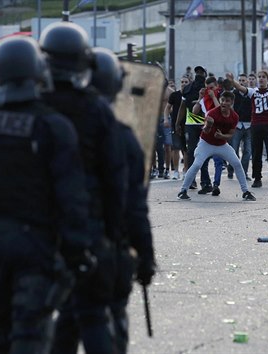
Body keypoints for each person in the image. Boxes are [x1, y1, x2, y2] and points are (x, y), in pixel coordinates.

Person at [0, 36, 93, 353]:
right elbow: (72, 199)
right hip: (37, 246)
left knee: (2, 330)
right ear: (37, 72)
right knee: (30, 334)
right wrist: (77, 252)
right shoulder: (53, 125)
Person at [39, 22, 125, 353]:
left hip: (36, 225)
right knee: (91, 313)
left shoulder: (31, 106)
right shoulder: (96, 110)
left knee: (30, 321)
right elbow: (115, 179)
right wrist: (114, 235)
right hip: (88, 222)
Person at [91, 47, 156, 353]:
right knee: (108, 320)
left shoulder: (52, 125)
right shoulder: (121, 136)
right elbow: (134, 205)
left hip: (56, 244)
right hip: (106, 245)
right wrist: (145, 255)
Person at [177, 91, 256, 201]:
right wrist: (208, 125)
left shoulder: (234, 116)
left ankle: (246, 192)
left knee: (237, 163)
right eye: (222, 100)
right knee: (197, 164)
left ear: (232, 102)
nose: (224, 103)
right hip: (206, 143)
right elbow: (205, 130)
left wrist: (222, 136)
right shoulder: (212, 113)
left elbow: (230, 134)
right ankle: (183, 191)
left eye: (227, 101)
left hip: (221, 144)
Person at [227, 70, 268, 188]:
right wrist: (232, 80)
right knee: (256, 153)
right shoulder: (253, 92)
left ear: (267, 79)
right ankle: (257, 178)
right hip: (255, 125)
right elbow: (240, 87)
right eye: (259, 77)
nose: (261, 79)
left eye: (263, 77)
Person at [175, 65, 211, 190]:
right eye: (198, 72)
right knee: (194, 153)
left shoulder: (208, 89)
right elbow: (182, 107)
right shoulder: (192, 88)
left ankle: (202, 181)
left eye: (201, 72)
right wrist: (178, 123)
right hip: (194, 124)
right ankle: (195, 181)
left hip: (202, 125)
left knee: (198, 153)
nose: (199, 74)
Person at [226, 73, 252, 181]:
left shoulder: (251, 94)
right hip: (236, 125)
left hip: (249, 126)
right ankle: (231, 168)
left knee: (247, 151)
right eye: (240, 80)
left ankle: (243, 172)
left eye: (243, 81)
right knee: (234, 150)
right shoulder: (234, 94)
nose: (241, 82)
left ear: (247, 82)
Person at [164, 76, 190, 180]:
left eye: (186, 82)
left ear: (189, 83)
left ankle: (186, 170)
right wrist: (166, 119)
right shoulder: (174, 95)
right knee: (175, 148)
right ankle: (175, 171)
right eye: (182, 82)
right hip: (176, 125)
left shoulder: (191, 94)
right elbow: (167, 108)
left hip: (188, 125)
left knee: (186, 149)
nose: (184, 83)